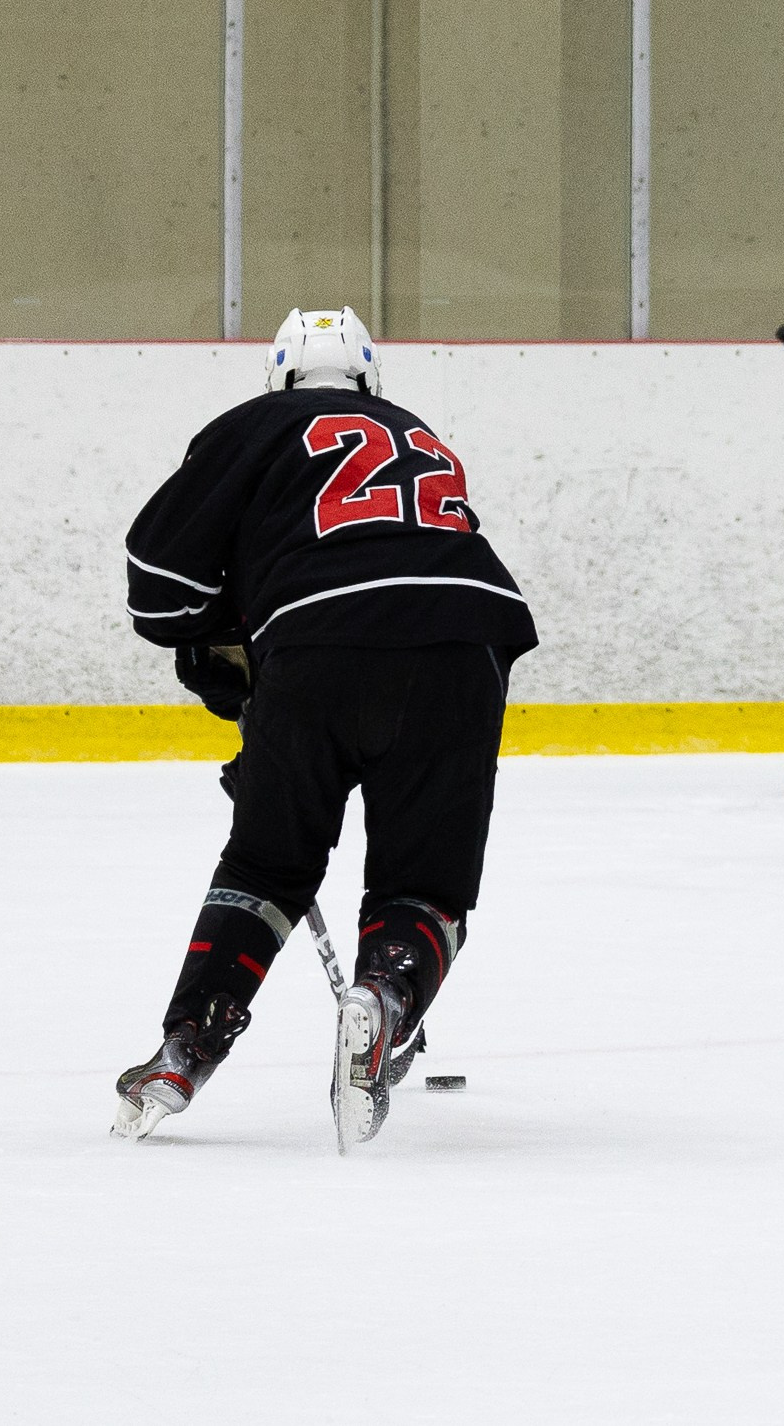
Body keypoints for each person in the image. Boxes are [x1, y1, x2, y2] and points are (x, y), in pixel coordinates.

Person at [110, 307, 537, 1151]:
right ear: (371, 380)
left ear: (278, 378)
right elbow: (422, 563)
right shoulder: (414, 432)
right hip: (466, 643)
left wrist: (250, 678)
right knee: (425, 885)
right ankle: (384, 995)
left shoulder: (254, 425)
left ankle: (184, 1048)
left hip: (317, 646)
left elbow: (157, 584)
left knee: (268, 865)